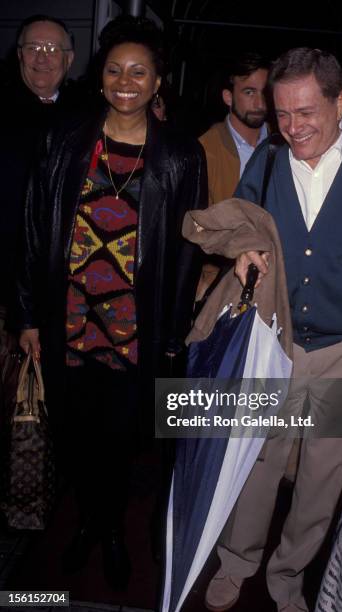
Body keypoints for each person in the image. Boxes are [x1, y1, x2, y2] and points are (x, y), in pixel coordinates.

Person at [204, 47, 342, 612]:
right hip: (278, 338)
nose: (292, 128)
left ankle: (288, 573)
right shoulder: (267, 160)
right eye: (282, 114)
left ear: (340, 103)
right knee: (258, 459)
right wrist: (242, 245)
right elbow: (240, 219)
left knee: (323, 472)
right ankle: (237, 559)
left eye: (306, 112)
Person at [16, 14, 207, 590]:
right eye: (115, 69)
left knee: (122, 442)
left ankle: (114, 531)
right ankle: (90, 525)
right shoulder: (65, 139)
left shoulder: (179, 156)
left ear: (156, 84)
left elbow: (186, 257)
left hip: (134, 332)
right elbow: (32, 230)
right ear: (101, 78)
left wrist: (173, 337)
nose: (126, 80)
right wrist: (27, 315)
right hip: (68, 323)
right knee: (75, 434)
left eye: (139, 72)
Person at [0, 14, 78, 316]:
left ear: (69, 59)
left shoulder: (84, 117)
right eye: (33, 48)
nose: (42, 58)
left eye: (52, 49)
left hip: (64, 281)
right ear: (19, 55)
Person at [197, 53, 270, 300]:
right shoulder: (205, 150)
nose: (260, 102)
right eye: (249, 92)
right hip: (221, 279)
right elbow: (196, 224)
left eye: (265, 92)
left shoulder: (287, 146)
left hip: (275, 276)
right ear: (228, 97)